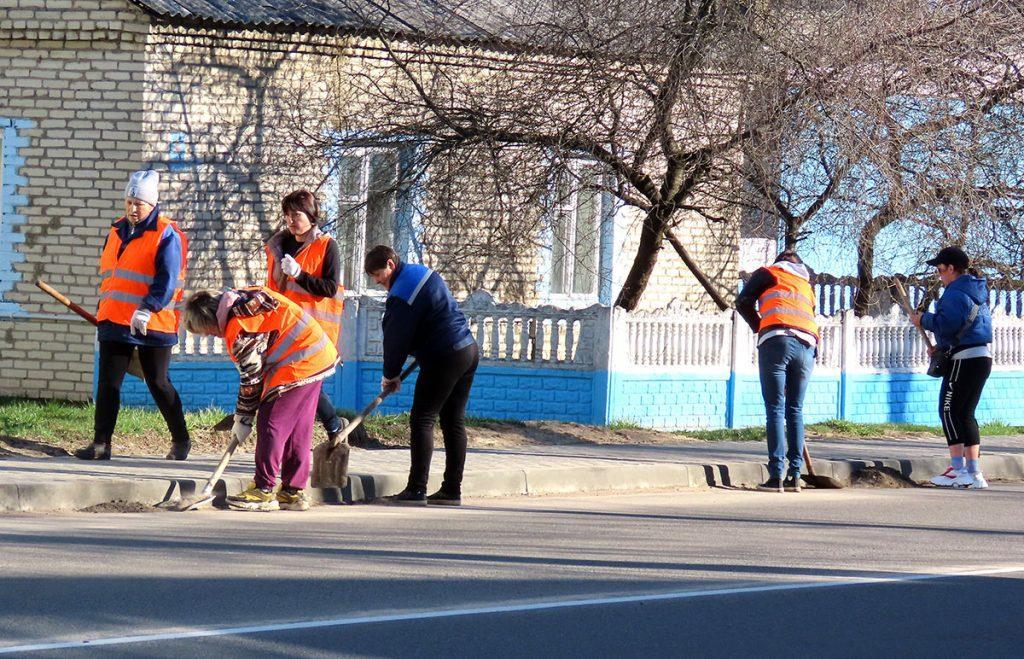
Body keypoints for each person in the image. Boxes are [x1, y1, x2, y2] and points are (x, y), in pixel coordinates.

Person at [182, 286, 339, 511]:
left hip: (299, 360)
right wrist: (243, 415)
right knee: (297, 429)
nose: (208, 335)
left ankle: (263, 490)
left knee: (271, 424)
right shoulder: (241, 298)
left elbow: (251, 379)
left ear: (209, 319)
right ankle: (292, 493)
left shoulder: (240, 328)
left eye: (205, 330)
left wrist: (243, 418)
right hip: (317, 353)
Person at [76, 170, 191, 461]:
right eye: (129, 201)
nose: (132, 208)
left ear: (152, 204)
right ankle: (101, 444)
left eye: (138, 202)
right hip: (115, 319)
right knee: (109, 383)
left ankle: (181, 440)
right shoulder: (116, 230)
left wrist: (147, 308)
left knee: (158, 382)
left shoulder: (165, 234)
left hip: (153, 321)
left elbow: (168, 280)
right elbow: (113, 277)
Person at [364, 245, 479, 506]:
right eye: (372, 276)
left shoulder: (401, 294)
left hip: (445, 356)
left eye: (378, 274)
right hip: (467, 350)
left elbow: (395, 339)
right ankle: (451, 490)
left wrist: (390, 374)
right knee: (453, 421)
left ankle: (416, 489)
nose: (378, 280)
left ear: (391, 264)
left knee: (422, 419)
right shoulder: (420, 272)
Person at [264, 189, 351, 447]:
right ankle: (330, 426)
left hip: (313, 329)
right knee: (292, 382)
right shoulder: (278, 246)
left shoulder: (327, 246)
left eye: (296, 214)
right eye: (287, 215)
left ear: (312, 216)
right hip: (282, 326)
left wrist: (300, 274)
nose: (291, 220)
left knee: (306, 382)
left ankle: (332, 425)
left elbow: (329, 288)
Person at [735, 250, 819, 493]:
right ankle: (795, 475)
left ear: (779, 263)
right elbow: (809, 317)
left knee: (775, 408)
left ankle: (776, 475)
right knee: (795, 409)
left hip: (776, 341)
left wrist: (759, 326)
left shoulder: (768, 273)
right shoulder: (806, 285)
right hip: (807, 347)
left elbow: (742, 302)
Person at [909, 246, 992, 489]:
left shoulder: (956, 293)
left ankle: (957, 470)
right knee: (965, 414)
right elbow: (964, 327)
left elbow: (947, 323)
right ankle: (974, 473)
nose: (939, 275)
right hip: (980, 357)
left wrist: (922, 319)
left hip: (964, 359)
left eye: (940, 269)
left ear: (951, 268)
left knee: (948, 410)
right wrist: (941, 346)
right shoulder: (974, 291)